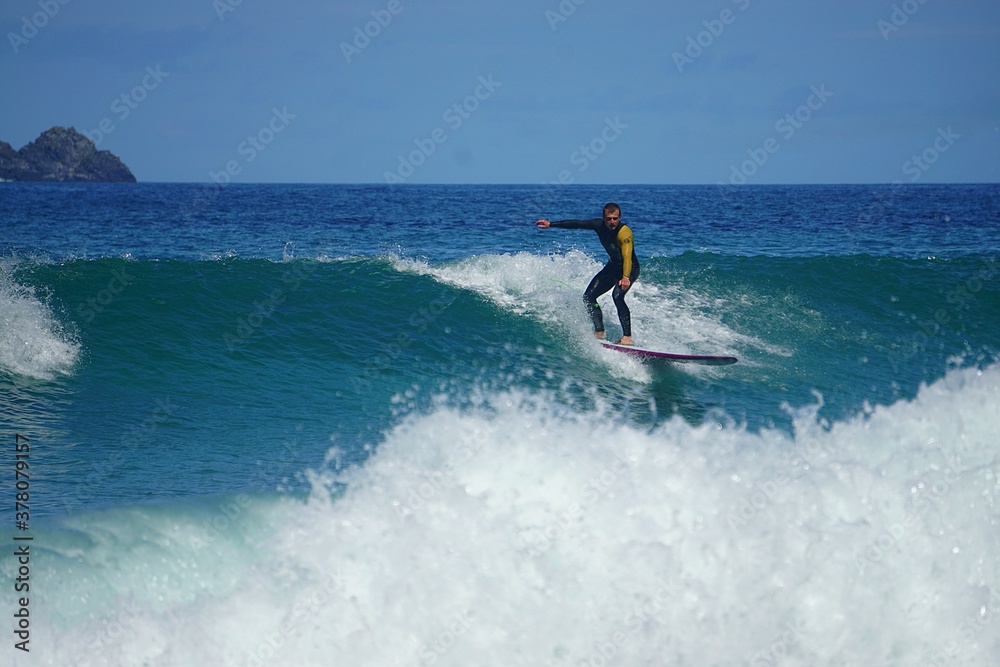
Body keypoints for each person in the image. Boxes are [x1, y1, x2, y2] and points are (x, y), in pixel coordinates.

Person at [536, 202, 639, 345]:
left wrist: (626, 277)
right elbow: (577, 224)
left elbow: (627, 257)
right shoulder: (598, 225)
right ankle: (599, 331)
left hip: (630, 269)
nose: (612, 222)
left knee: (617, 296)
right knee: (589, 297)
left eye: (615, 218)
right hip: (613, 267)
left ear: (619, 217)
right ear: (603, 218)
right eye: (609, 218)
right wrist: (551, 224)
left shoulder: (624, 233)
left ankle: (627, 337)